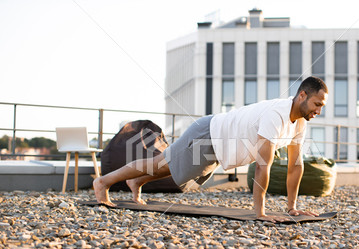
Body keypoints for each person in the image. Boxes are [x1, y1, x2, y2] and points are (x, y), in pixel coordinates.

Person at [94, 76, 328, 222]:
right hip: (208, 134)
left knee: (174, 170)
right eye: (317, 104)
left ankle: (136, 182)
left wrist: (292, 208)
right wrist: (260, 213)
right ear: (302, 95)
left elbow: (295, 166)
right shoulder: (276, 115)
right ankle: (103, 182)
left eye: (322, 106)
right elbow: (262, 165)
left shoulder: (300, 122)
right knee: (162, 163)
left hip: (218, 143)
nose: (318, 110)